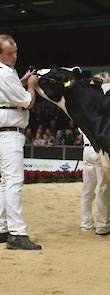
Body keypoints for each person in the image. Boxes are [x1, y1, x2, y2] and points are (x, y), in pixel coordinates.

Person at [0, 34, 41, 250]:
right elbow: (28, 102)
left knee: (3, 183)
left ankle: (2, 228)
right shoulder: (6, 73)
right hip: (9, 135)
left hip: (2, 133)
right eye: (9, 53)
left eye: (15, 52)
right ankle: (17, 233)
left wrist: (22, 80)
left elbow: (7, 92)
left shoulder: (7, 73)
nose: (14, 57)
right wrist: (31, 85)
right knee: (13, 182)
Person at [80, 71, 110, 234]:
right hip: (101, 149)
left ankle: (85, 223)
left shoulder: (85, 102)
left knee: (88, 190)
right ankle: (102, 225)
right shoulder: (106, 103)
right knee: (104, 189)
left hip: (87, 149)